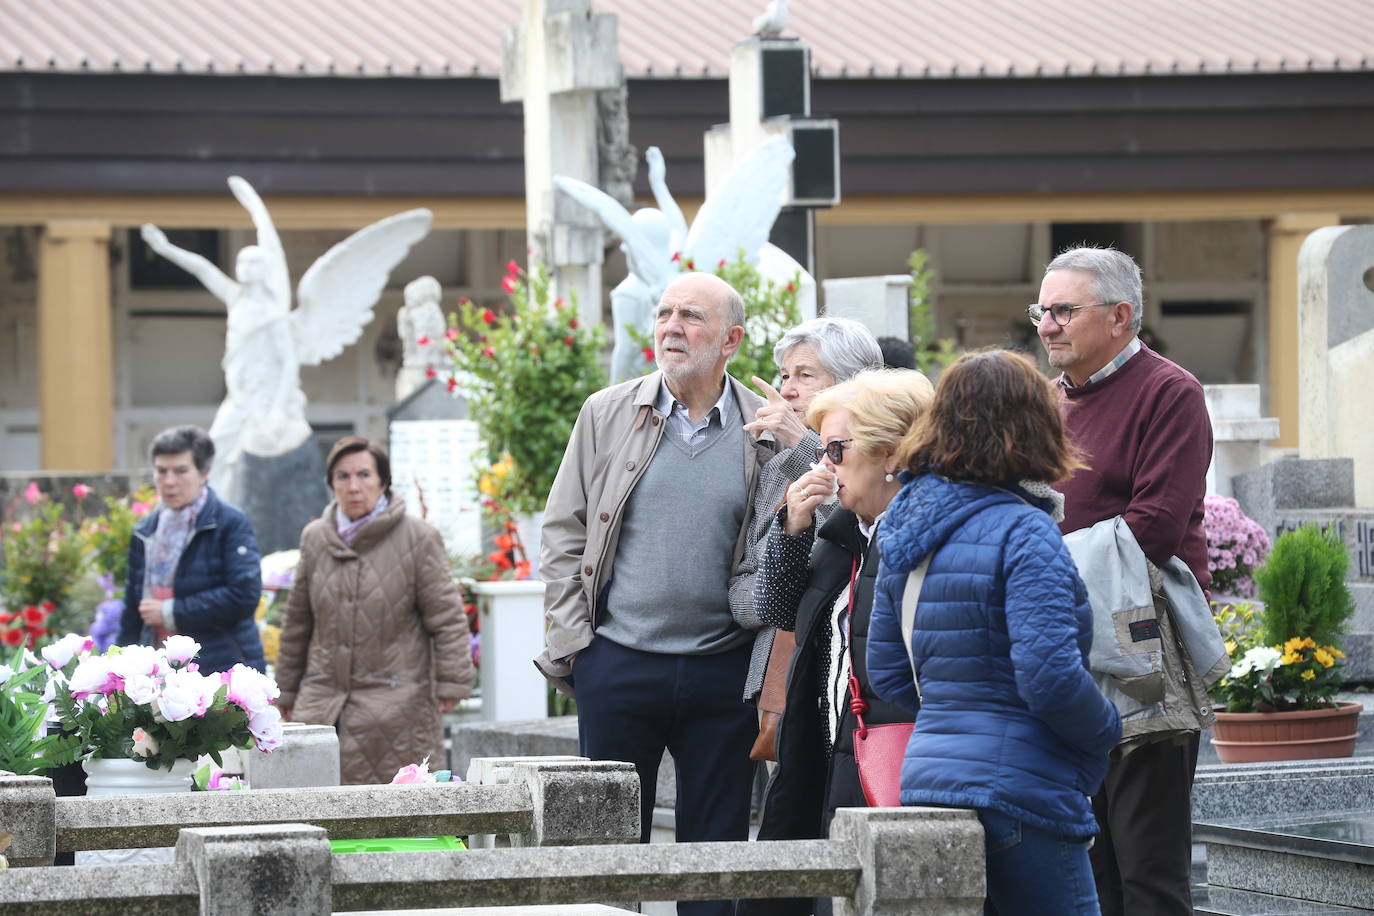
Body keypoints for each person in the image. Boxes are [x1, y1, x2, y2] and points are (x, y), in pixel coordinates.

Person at [536, 272, 779, 916]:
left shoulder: (764, 427)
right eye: (665, 313)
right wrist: (576, 646)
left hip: (724, 671)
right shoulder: (607, 412)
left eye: (692, 317)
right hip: (618, 662)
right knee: (610, 857)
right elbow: (564, 528)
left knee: (713, 859)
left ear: (731, 339)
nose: (672, 327)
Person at [868, 349, 1122, 916]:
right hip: (1020, 793)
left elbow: (888, 671)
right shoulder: (1026, 532)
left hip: (929, 784)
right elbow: (1050, 677)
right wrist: (1106, 727)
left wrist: (958, 707)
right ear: (1035, 428)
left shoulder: (906, 529)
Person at [1032, 246, 1215, 916]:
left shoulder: (1171, 393)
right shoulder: (1047, 403)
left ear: (1120, 315)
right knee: (1088, 864)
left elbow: (1155, 530)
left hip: (1141, 647)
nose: (1047, 325)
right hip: (1061, 649)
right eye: (1042, 310)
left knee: (1148, 869)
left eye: (1063, 310)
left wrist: (1034, 568)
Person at [743, 369, 932, 916]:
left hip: (892, 762)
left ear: (892, 452)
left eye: (836, 449)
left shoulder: (930, 535)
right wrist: (791, 528)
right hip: (825, 752)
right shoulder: (848, 529)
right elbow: (776, 612)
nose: (825, 465)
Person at [275, 437, 474, 785]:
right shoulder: (315, 539)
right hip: (322, 703)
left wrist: (452, 684)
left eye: (365, 475)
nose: (354, 486)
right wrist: (286, 691)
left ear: (383, 482)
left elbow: (446, 618)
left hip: (397, 703)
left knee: (398, 824)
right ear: (331, 484)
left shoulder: (418, 537)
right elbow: (297, 623)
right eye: (343, 476)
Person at [736, 317, 884, 716]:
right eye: (785, 374)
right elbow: (742, 590)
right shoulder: (776, 466)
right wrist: (786, 596)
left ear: (854, 382)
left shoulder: (883, 462)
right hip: (777, 685)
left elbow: (857, 528)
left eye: (805, 374)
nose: (787, 390)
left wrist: (806, 445)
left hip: (854, 681)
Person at [119, 425, 265, 675]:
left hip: (221, 667)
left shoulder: (229, 522)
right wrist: (119, 668)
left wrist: (171, 612)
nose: (169, 481)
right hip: (159, 670)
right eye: (161, 471)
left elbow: (243, 595)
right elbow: (133, 610)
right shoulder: (146, 529)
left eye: (181, 471)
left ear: (204, 473)